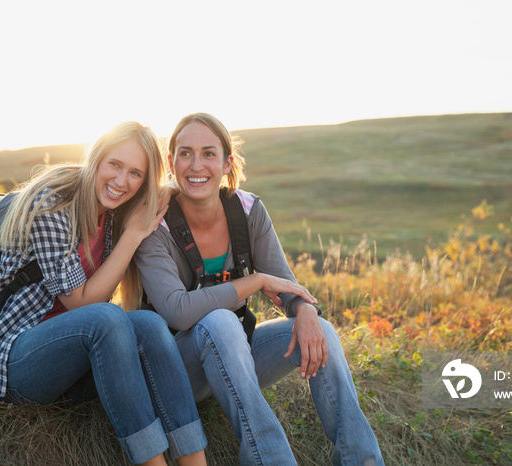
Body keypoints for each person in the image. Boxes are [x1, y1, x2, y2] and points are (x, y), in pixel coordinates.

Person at [135, 113, 384, 465]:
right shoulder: (153, 225)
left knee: (322, 330)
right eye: (185, 153)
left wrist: (306, 310)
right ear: (171, 163)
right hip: (177, 371)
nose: (196, 165)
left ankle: (362, 461)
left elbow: (284, 283)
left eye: (208, 153)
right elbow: (177, 310)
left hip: (232, 358)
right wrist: (255, 280)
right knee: (221, 321)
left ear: (226, 163)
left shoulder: (247, 209)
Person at [0, 122, 208, 466]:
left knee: (149, 324)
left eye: (135, 173)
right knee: (107, 317)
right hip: (14, 358)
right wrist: (134, 234)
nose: (122, 181)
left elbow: (162, 190)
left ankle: (194, 460)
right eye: (115, 165)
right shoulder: (53, 206)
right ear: (96, 158)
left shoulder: (114, 210)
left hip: (71, 357)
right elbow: (80, 302)